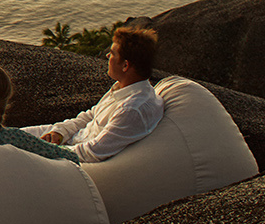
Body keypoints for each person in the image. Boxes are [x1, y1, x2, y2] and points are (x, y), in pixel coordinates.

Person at [23, 26, 162, 163]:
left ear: (125, 65)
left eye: (113, 53)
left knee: (11, 151)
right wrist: (60, 133)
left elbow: (93, 152)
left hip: (71, 155)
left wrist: (45, 150)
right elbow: (90, 115)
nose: (107, 56)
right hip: (69, 140)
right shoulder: (121, 88)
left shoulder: (132, 110)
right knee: (6, 134)